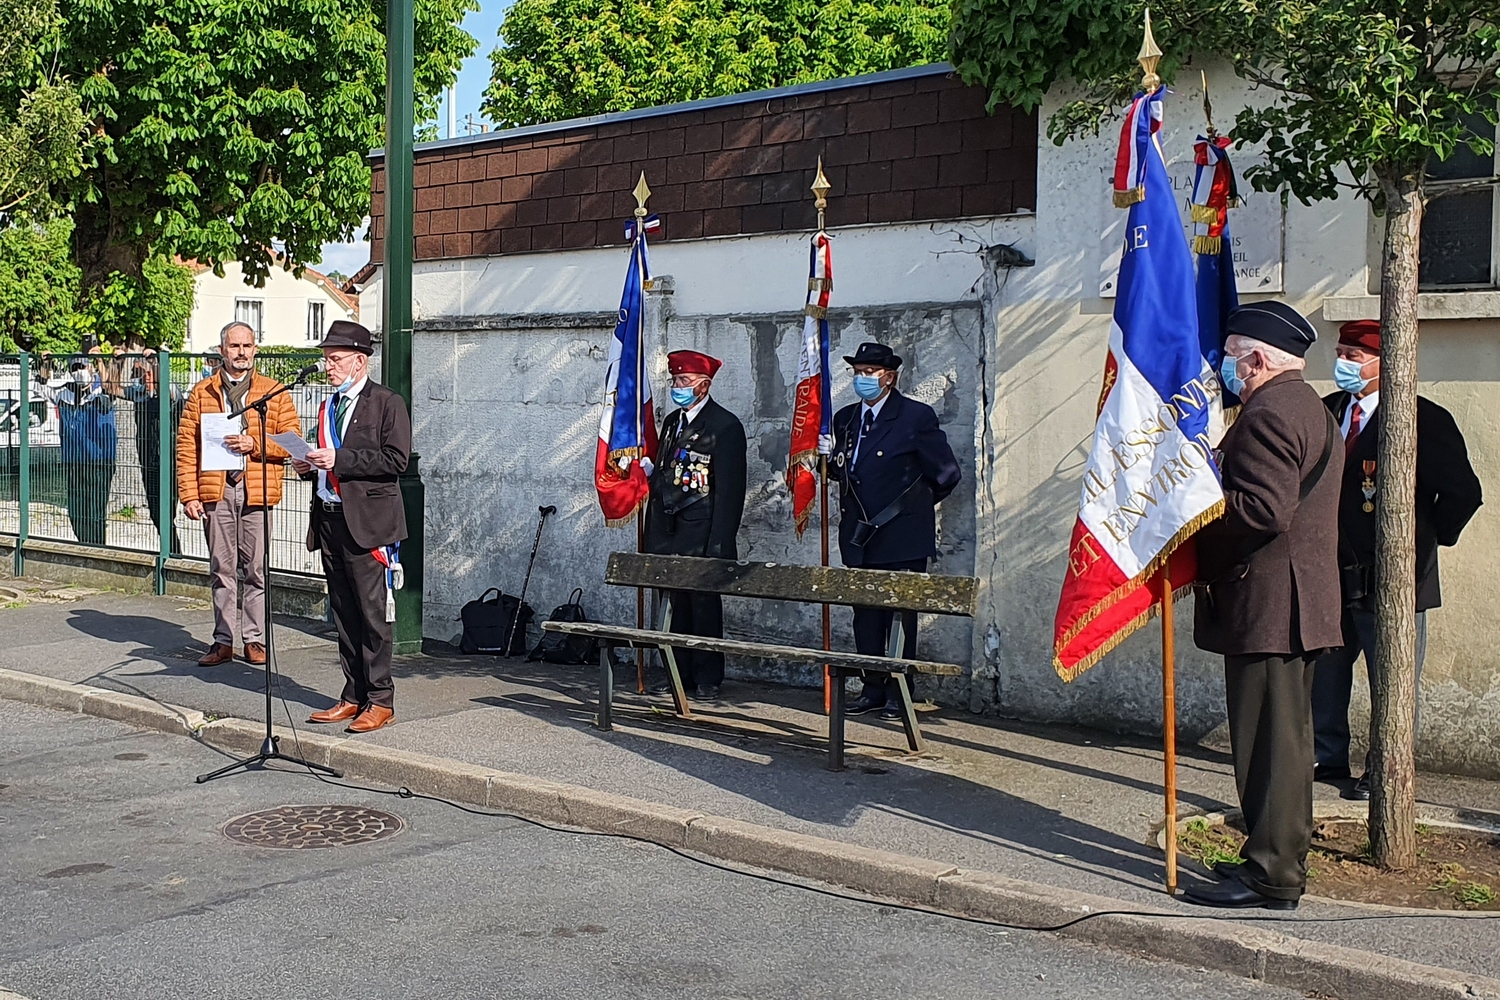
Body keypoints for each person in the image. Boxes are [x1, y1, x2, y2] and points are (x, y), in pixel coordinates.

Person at [1186, 302, 1343, 910]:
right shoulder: (1309, 406)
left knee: (1268, 747)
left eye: (1229, 355)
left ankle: (1272, 874)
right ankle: (1275, 854)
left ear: (1255, 359)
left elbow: (1262, 510)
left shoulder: (1270, 413)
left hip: (1271, 602)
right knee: (1287, 743)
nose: (1225, 366)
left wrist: (1194, 522)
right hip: (1294, 601)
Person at [1312, 319, 1483, 800]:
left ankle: (1381, 768)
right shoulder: (1327, 412)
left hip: (1394, 577)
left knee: (1392, 678)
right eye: (1341, 352)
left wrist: (1423, 540)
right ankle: (1328, 757)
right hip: (1331, 572)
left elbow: (1462, 494)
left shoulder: (1422, 418)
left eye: (1354, 355)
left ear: (1385, 363)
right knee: (1326, 671)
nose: (1343, 363)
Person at [829, 342, 960, 720]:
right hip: (858, 535)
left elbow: (947, 474)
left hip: (901, 535)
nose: (862, 379)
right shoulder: (846, 418)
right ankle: (872, 688)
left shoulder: (915, 416)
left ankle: (900, 691)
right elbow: (846, 471)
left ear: (890, 378)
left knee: (902, 618)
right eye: (858, 372)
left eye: (870, 372)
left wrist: (913, 508)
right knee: (866, 616)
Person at [294, 320, 411, 734]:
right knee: (343, 612)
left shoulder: (386, 403)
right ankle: (353, 693)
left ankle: (381, 699)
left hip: (367, 523)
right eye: (326, 359)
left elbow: (396, 460)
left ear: (360, 361)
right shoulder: (328, 407)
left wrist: (339, 460)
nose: (328, 367)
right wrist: (308, 464)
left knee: (371, 613)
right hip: (329, 518)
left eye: (335, 359)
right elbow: (325, 457)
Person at [177, 321, 300, 667]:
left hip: (257, 490)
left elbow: (292, 441)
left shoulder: (273, 392)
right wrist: (189, 494)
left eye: (247, 346)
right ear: (222, 351)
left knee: (257, 569)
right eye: (234, 346)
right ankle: (223, 640)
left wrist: (254, 443)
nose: (241, 352)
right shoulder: (202, 393)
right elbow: (187, 447)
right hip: (217, 490)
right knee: (221, 567)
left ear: (255, 349)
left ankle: (255, 639)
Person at [642, 350, 747, 700]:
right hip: (668, 530)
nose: (678, 387)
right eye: (674, 381)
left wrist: (720, 543)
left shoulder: (724, 425)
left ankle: (707, 676)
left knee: (702, 608)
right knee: (671, 606)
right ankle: (675, 671)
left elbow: (730, 491)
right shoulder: (673, 422)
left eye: (684, 382)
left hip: (701, 532)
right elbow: (669, 470)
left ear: (704, 385)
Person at [37, 347, 118, 546]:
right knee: (76, 511)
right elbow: (39, 388)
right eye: (75, 367)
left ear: (91, 368)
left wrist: (100, 360)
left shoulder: (102, 390)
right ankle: (84, 545)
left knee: (96, 511)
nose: (79, 370)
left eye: (83, 366)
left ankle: (98, 549)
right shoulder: (65, 392)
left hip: (100, 461)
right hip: (74, 460)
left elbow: (112, 388)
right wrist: (45, 364)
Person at [115, 348, 183, 554]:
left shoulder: (171, 390)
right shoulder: (140, 394)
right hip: (148, 459)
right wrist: (115, 364)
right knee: (155, 511)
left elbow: (165, 388)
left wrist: (155, 361)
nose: (143, 376)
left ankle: (172, 554)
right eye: (139, 372)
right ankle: (171, 552)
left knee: (167, 511)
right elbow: (114, 389)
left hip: (170, 460)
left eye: (145, 371)